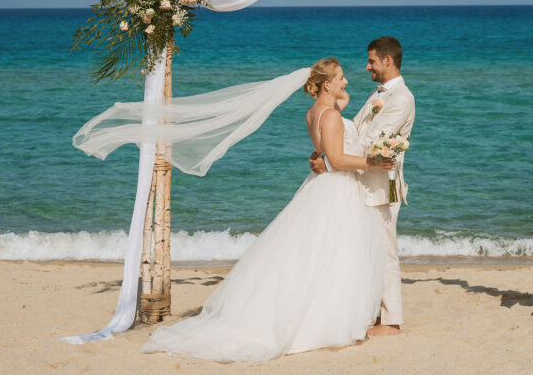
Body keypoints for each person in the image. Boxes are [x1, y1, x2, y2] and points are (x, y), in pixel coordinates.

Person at [141, 57, 394, 362]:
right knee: (334, 253)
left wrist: (336, 96)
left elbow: (334, 125)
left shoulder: (314, 113)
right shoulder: (331, 117)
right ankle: (325, 319)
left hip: (322, 187)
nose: (347, 82)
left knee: (318, 254)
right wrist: (373, 162)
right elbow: (338, 160)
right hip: (338, 187)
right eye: (341, 77)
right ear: (327, 84)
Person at [310, 36, 415, 336]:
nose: (366, 66)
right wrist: (327, 147)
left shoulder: (402, 98)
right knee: (369, 251)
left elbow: (372, 143)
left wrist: (331, 162)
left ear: (387, 61)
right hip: (363, 181)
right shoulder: (378, 93)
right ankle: (375, 314)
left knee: (385, 251)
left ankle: (392, 321)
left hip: (382, 185)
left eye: (371, 61)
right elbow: (356, 128)